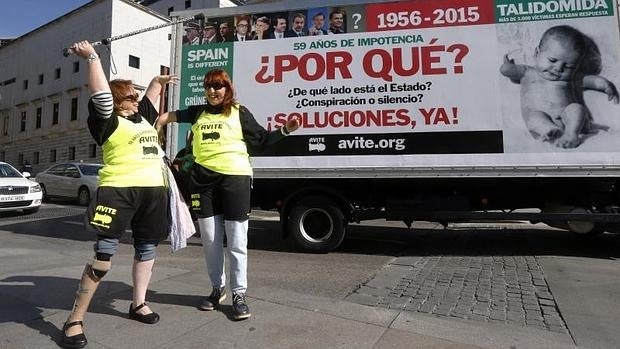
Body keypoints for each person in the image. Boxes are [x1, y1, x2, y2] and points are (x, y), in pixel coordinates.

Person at [156, 69, 301, 320]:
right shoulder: (197, 112)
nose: (213, 91)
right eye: (209, 86)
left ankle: (239, 294)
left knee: (236, 240)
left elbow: (263, 140)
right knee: (211, 240)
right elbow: (167, 116)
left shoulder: (239, 112)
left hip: (235, 179)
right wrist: (158, 124)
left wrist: (286, 130)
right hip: (203, 183)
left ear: (227, 88)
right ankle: (217, 288)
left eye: (218, 86)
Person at [61, 40, 178, 349]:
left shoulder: (142, 118)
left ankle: (138, 303)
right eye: (130, 94)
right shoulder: (106, 120)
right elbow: (100, 93)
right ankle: (74, 319)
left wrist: (156, 82)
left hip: (153, 192)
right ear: (117, 100)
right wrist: (92, 58)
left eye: (136, 94)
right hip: (118, 192)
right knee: (103, 258)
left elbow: (151, 98)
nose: (136, 98)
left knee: (147, 249)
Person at [500, 25, 619, 148]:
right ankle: (548, 130)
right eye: (552, 60)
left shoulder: (571, 78)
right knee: (533, 117)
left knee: (576, 108)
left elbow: (591, 80)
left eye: (569, 67)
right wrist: (507, 66)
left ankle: (572, 134)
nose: (558, 68)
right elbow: (508, 72)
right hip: (541, 116)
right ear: (536, 54)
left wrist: (606, 85)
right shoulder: (527, 72)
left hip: (567, 117)